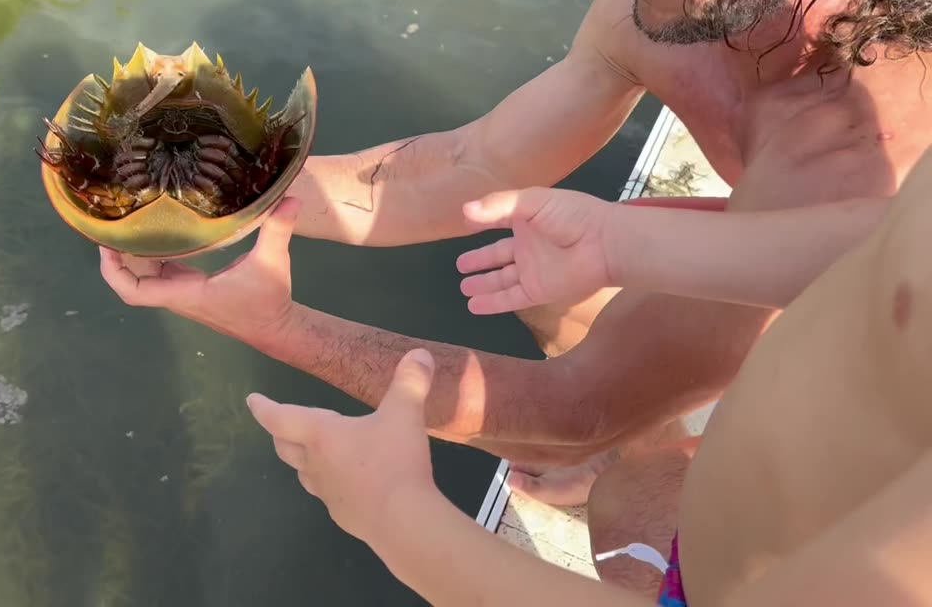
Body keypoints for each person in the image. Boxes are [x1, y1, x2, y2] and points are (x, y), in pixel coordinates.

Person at [99, 0, 932, 507]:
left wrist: (273, 325)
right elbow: (471, 162)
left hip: (888, 338)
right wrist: (220, 189)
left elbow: (580, 408)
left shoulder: (865, 167)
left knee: (635, 519)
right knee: (545, 265)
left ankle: (650, 469)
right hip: (793, 232)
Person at [242, 141, 932, 605]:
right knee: (634, 488)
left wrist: (397, 516)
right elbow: (894, 237)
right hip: (737, 519)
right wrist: (617, 242)